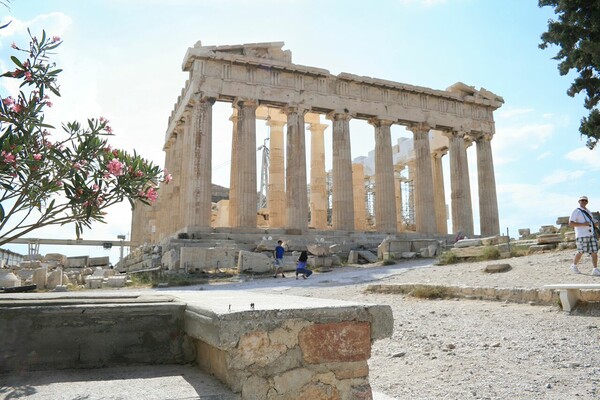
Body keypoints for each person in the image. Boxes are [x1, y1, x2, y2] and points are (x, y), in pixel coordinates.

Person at [569, 195, 600, 276]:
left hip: (591, 234)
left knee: (594, 251)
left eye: (585, 200)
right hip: (582, 235)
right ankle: (574, 265)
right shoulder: (576, 211)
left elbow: (592, 223)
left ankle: (595, 269)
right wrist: (582, 224)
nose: (583, 201)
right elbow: (571, 223)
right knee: (580, 251)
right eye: (582, 200)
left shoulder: (589, 212)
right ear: (579, 202)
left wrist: (595, 224)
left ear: (587, 202)